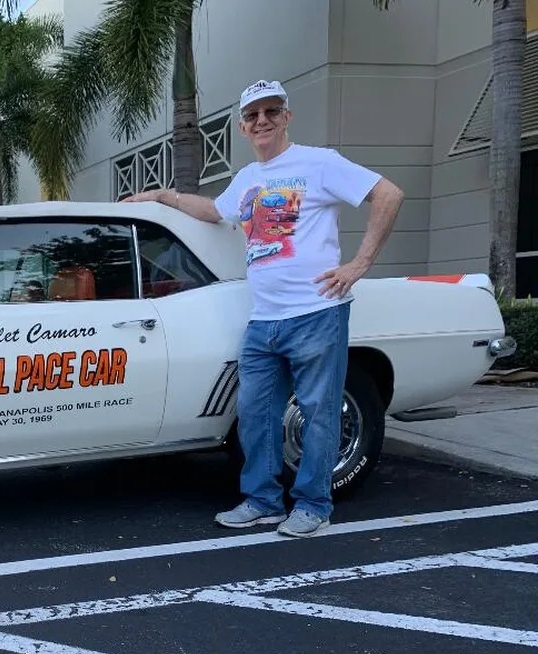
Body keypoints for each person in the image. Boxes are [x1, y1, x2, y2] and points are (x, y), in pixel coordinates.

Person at [123, 78, 403, 537]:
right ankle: (263, 500)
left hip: (316, 312)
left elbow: (388, 194)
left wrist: (359, 264)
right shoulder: (248, 180)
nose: (262, 122)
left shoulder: (319, 163)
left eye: (271, 112)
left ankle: (313, 505)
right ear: (243, 126)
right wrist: (162, 196)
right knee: (254, 413)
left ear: (287, 117)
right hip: (264, 320)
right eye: (253, 115)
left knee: (318, 412)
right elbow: (214, 211)